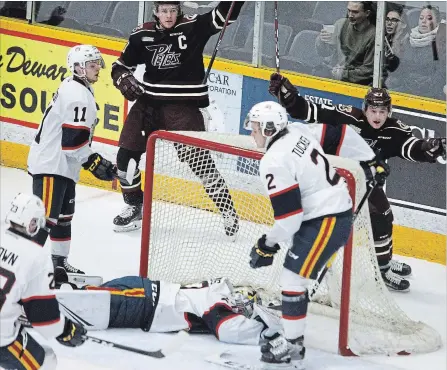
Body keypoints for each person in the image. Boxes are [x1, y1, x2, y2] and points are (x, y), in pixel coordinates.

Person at [269, 73, 446, 291]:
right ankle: (307, 264)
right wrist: (289, 99)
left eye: (382, 111)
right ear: (365, 109)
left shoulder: (395, 130)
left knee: (383, 215)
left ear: (389, 112)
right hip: (333, 179)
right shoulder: (349, 117)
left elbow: (412, 149)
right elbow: (309, 111)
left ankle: (383, 265)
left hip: (366, 181)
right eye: (373, 110)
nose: (378, 116)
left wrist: (430, 147)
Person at [110, 1, 245, 234]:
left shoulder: (193, 27)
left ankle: (227, 211)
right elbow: (120, 65)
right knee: (125, 158)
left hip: (184, 107)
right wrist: (122, 78)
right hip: (149, 103)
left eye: (173, 10)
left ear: (179, 11)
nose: (169, 15)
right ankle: (135, 207)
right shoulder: (142, 34)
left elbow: (225, 15)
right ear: (156, 12)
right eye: (164, 11)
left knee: (199, 162)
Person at [244, 101, 353, 367]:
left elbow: (289, 219)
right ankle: (293, 338)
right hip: (326, 212)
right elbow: (338, 133)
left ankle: (293, 345)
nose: (251, 133)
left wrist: (266, 244)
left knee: (293, 278)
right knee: (294, 276)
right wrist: (371, 157)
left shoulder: (274, 160)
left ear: (269, 128)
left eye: (255, 127)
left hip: (327, 219)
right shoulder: (296, 131)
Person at [27, 45, 115, 277]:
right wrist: (96, 163)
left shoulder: (79, 88)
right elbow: (73, 144)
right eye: (92, 65)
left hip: (63, 166)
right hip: (51, 165)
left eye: (97, 64)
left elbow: (74, 144)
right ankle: (20, 266)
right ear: (77, 67)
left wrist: (93, 161)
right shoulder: (77, 94)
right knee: (43, 218)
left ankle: (59, 264)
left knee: (63, 218)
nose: (98, 69)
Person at [53, 270, 281, 347]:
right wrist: (267, 334)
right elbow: (227, 330)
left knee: (98, 296)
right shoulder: (217, 299)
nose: (242, 308)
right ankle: (51, 299)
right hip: (145, 302)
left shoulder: (217, 290)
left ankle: (65, 287)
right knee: (93, 303)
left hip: (143, 292)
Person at [0, 193, 86, 370]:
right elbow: (44, 318)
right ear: (33, 223)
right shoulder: (36, 257)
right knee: (47, 360)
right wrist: (66, 330)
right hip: (2, 339)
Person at [315, 1, 376, 85]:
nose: (350, 15)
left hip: (356, 83)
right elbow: (324, 53)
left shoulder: (374, 35)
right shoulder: (341, 24)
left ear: (367, 13)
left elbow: (368, 70)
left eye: (355, 12)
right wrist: (321, 40)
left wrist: (343, 74)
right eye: (349, 11)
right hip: (333, 76)